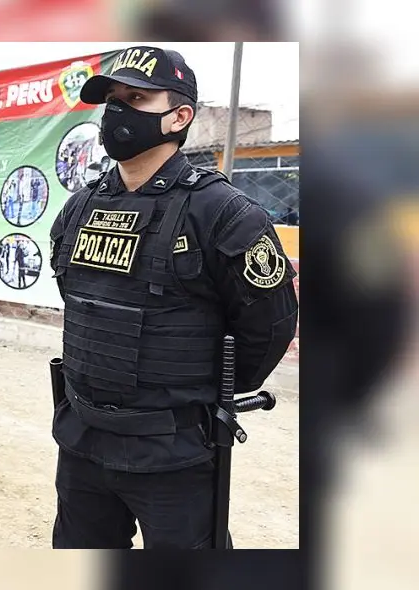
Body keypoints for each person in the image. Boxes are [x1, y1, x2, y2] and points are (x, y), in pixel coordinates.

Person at [48, 46, 299, 549]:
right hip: (83, 442)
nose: (117, 112)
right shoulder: (81, 206)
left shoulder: (224, 212)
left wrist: (205, 396)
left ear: (179, 116)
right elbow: (73, 292)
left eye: (136, 98)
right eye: (112, 100)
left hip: (175, 455)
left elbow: (269, 325)